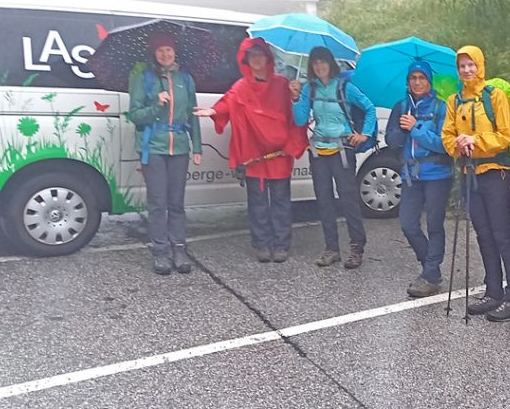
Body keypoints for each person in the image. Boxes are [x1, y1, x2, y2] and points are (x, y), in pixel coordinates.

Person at [194, 37, 308, 263]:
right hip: (254, 155)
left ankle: (282, 244)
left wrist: (296, 96)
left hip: (279, 155)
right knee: (257, 202)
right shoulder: (241, 86)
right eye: (252, 56)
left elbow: (298, 116)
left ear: (267, 58)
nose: (256, 59)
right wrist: (214, 112)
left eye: (260, 55)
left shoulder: (283, 84)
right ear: (246, 60)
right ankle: (262, 244)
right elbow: (227, 103)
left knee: (280, 201)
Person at [441, 45, 510, 322]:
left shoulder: (495, 96)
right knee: (483, 234)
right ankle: (493, 292)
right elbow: (447, 136)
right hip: (470, 174)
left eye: (471, 65)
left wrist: (475, 141)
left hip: (497, 173)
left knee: (502, 235)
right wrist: (458, 144)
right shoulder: (455, 101)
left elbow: (503, 136)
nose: (467, 70)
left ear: (480, 65)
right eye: (462, 66)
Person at [290, 46, 376, 269]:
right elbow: (300, 120)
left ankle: (357, 247)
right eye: (315, 63)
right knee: (324, 200)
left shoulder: (344, 87)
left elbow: (369, 108)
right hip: (319, 151)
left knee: (348, 199)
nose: (319, 66)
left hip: (342, 150)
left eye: (323, 62)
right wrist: (296, 98)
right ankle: (331, 249)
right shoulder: (309, 88)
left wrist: (364, 134)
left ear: (330, 63)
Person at [126, 31, 203, 275]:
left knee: (176, 203)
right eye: (160, 50)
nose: (165, 54)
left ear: (175, 52)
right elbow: (135, 115)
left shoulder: (186, 79)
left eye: (168, 50)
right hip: (154, 147)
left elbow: (193, 113)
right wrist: (156, 104)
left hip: (179, 146)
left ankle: (179, 248)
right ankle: (160, 251)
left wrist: (197, 146)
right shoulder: (144, 79)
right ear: (154, 53)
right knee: (158, 202)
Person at [384, 61, 453, 297]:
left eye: (422, 77)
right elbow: (391, 141)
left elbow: (444, 144)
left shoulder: (442, 108)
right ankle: (431, 269)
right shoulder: (401, 106)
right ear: (408, 82)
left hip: (437, 174)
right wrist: (401, 131)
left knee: (434, 225)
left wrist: (415, 128)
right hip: (411, 174)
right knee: (408, 224)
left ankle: (430, 274)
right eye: (413, 77)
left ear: (429, 81)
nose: (417, 82)